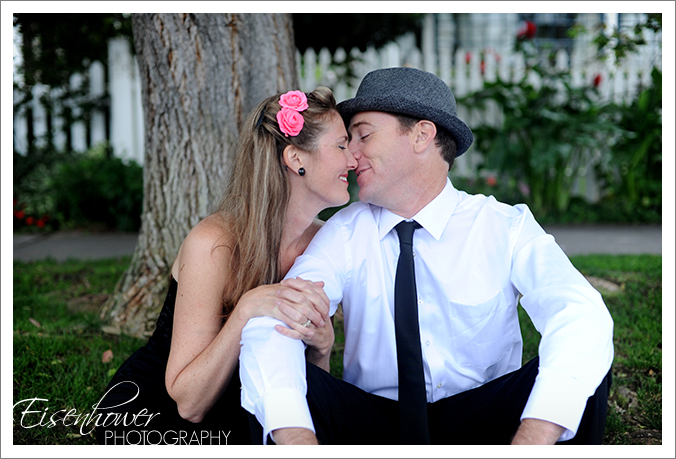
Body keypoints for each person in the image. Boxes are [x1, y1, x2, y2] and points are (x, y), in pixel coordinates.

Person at [239, 67, 614, 445]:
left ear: (422, 135)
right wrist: (299, 442)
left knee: (582, 356)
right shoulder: (344, 232)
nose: (351, 156)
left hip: (483, 419)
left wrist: (531, 441)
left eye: (363, 136)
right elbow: (272, 323)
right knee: (276, 369)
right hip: (372, 422)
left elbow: (580, 313)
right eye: (348, 141)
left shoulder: (504, 226)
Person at [95, 86, 357, 445]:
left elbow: (311, 391)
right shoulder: (214, 244)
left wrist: (321, 349)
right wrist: (245, 310)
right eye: (341, 146)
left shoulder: (325, 243)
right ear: (296, 158)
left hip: (249, 405)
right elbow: (189, 404)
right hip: (160, 413)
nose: (353, 160)